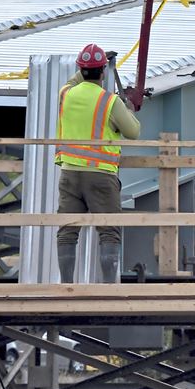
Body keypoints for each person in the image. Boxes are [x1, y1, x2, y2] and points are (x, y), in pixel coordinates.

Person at [55, 43, 141, 284]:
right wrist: (128, 108)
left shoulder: (66, 94)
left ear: (80, 70)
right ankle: (108, 289)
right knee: (109, 231)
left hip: (69, 173)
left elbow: (74, 81)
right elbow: (133, 131)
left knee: (67, 231)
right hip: (101, 175)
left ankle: (66, 286)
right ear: (103, 71)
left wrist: (90, 64)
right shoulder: (110, 101)